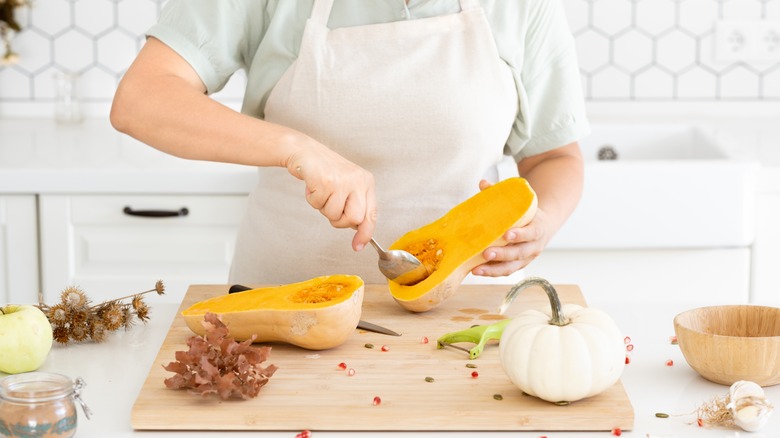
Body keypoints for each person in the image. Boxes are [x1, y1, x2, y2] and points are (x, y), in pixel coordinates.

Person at [110, 0, 587, 286]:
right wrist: (298, 148)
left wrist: (542, 222)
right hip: (282, 312)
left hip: (465, 324)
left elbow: (553, 156)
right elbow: (141, 98)